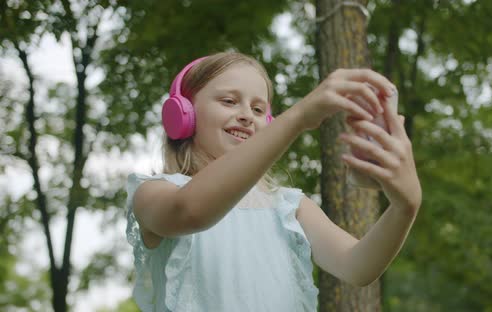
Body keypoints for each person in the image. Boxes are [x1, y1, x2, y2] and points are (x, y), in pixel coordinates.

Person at [125, 52, 422, 311]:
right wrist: (298, 117)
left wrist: (405, 206)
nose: (246, 116)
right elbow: (190, 211)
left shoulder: (289, 207)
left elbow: (358, 267)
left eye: (258, 109)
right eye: (229, 101)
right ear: (183, 114)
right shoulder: (154, 191)